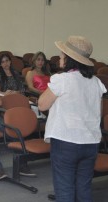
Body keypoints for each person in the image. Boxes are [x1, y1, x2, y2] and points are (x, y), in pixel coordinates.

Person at [38, 36, 107, 202]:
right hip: (90, 143)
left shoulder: (62, 80)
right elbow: (99, 111)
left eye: (62, 55)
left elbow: (41, 105)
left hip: (66, 142)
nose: (60, 57)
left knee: (65, 190)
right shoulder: (96, 82)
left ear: (70, 59)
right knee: (83, 189)